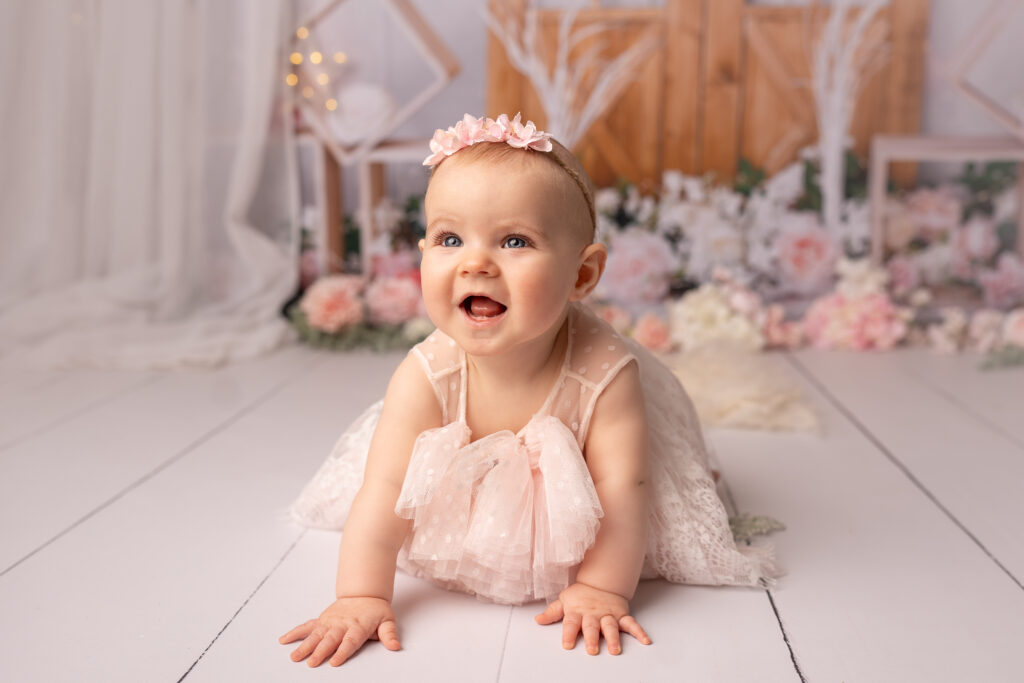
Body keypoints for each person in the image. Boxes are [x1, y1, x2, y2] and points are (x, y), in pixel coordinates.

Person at [279, 113, 776, 668]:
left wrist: (602, 588)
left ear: (582, 277)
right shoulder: (426, 375)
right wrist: (361, 596)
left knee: (650, 478)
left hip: (596, 464)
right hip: (456, 456)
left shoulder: (605, 375)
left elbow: (620, 491)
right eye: (449, 238)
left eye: (514, 240)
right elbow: (386, 491)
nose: (475, 263)